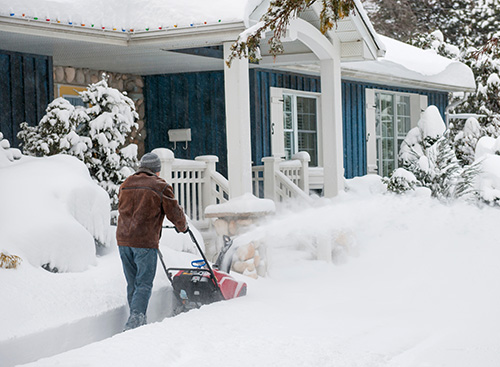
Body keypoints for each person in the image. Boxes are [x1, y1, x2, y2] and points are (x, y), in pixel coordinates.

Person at [116, 152, 187, 331]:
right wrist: (182, 226)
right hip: (144, 241)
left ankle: (137, 318)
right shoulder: (160, 186)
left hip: (123, 240)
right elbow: (174, 212)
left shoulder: (126, 184)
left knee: (133, 283)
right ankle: (135, 323)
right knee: (144, 283)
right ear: (157, 170)